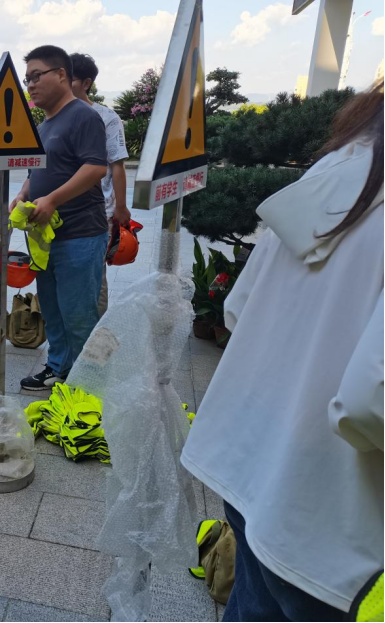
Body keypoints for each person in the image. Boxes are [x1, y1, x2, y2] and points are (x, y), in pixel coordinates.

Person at [181, 81, 384, 622]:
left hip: (249, 470)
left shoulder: (339, 166)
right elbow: (370, 403)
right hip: (337, 529)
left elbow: (238, 307)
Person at [13, 46, 108, 391]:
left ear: (62, 74)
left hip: (80, 234)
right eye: (27, 79)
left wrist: (52, 199)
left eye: (37, 76)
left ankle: (87, 384)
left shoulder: (83, 116)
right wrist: (23, 195)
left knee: (78, 313)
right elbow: (35, 172)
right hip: (45, 237)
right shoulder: (43, 126)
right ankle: (58, 367)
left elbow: (96, 167)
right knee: (52, 309)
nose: (31, 85)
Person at [69, 53, 130, 315]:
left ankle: (95, 330)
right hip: (62, 210)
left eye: (69, 79)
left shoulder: (107, 117)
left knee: (94, 274)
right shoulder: (54, 115)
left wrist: (121, 207)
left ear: (86, 83)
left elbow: (117, 165)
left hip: (98, 211)